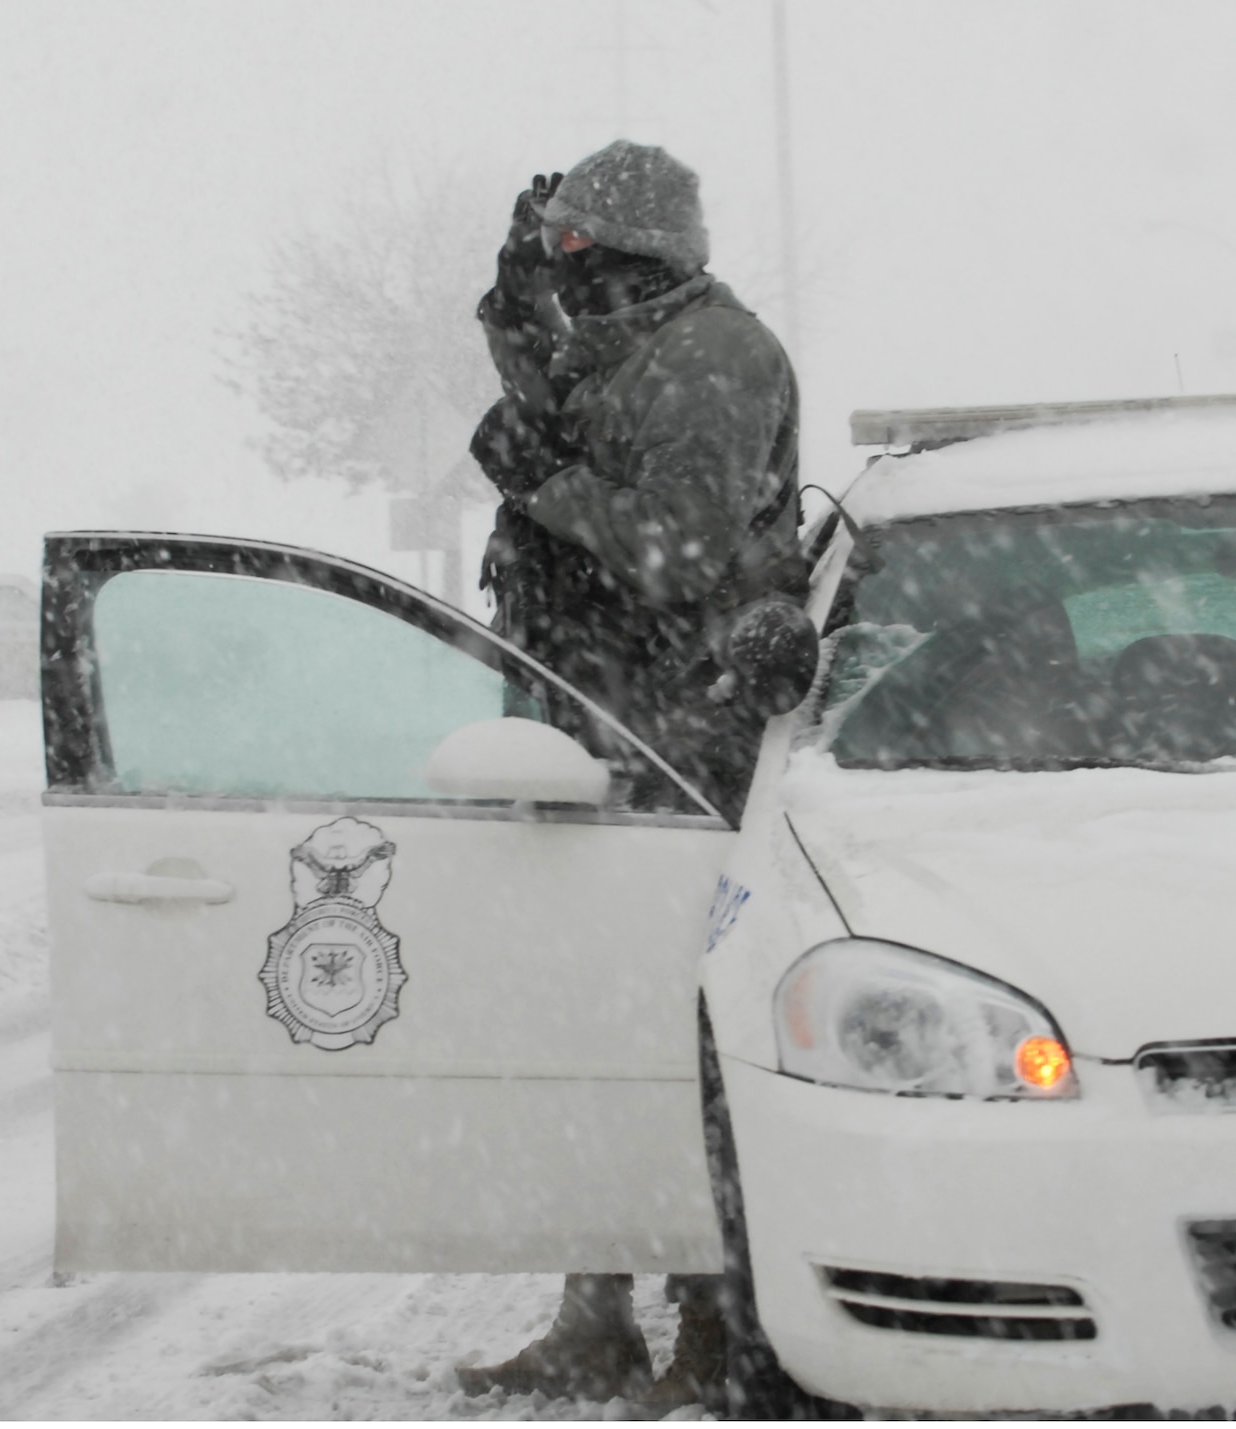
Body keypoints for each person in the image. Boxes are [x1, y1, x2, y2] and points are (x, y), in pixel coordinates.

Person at [455, 142, 802, 1408]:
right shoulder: (614, 342)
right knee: (585, 1027)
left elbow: (675, 550)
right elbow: (551, 401)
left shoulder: (711, 357)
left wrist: (544, 485)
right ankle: (594, 1310)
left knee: (681, 1040)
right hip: (596, 721)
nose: (556, 273)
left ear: (618, 255)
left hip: (678, 742)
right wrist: (510, 316)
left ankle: (717, 1323)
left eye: (566, 251)